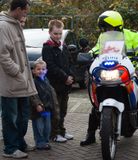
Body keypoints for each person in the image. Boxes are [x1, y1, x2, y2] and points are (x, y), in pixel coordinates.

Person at [80, 10, 138, 146]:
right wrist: (88, 54)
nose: (106, 30)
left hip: (129, 71)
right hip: (109, 70)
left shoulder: (132, 35)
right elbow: (97, 49)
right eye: (104, 28)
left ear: (117, 26)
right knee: (97, 98)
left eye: (108, 27)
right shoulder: (103, 37)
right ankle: (91, 134)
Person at [0, 0, 38, 158]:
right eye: (24, 12)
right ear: (17, 9)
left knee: (23, 116)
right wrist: (17, 72)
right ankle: (10, 148)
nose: (25, 15)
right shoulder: (3, 27)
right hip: (11, 82)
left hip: (22, 82)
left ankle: (20, 143)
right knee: (11, 117)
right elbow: (3, 55)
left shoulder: (15, 24)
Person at [42, 19, 74, 143]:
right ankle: (54, 134)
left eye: (60, 33)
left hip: (65, 85)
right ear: (50, 32)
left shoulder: (63, 46)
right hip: (55, 84)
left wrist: (71, 76)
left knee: (63, 109)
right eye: (55, 33)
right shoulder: (47, 47)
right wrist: (65, 77)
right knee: (55, 110)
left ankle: (62, 131)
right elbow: (51, 66)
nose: (58, 36)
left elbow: (70, 63)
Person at [30, 59, 60, 150]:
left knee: (47, 127)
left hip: (47, 109)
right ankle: (40, 142)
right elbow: (33, 95)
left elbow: (51, 94)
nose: (41, 71)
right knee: (39, 127)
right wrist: (37, 104)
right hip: (38, 110)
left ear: (46, 70)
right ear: (34, 71)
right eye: (38, 69)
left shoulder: (46, 80)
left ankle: (46, 141)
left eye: (43, 69)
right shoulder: (34, 82)